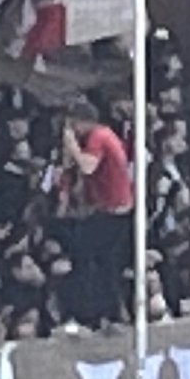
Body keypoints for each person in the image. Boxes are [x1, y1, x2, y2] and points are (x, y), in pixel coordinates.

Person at [60, 100, 134, 329]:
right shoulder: (106, 134)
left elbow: (88, 166)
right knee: (103, 262)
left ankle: (87, 312)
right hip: (110, 208)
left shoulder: (98, 137)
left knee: (85, 256)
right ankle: (109, 313)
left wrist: (71, 145)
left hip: (114, 212)